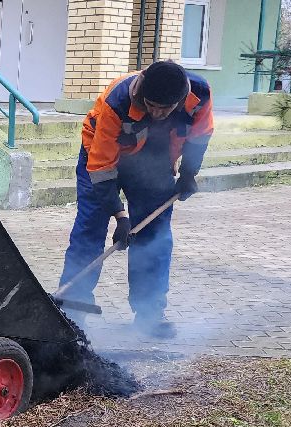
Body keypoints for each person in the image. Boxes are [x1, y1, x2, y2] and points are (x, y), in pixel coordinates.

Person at [56, 60, 213, 339]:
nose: (156, 112)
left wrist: (189, 173)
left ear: (178, 100)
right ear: (142, 93)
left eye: (164, 108)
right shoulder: (119, 99)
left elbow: (200, 137)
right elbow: (102, 166)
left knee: (154, 235)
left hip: (153, 159)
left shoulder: (199, 95)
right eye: (151, 105)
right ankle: (71, 312)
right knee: (90, 228)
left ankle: (150, 315)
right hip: (99, 158)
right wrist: (120, 215)